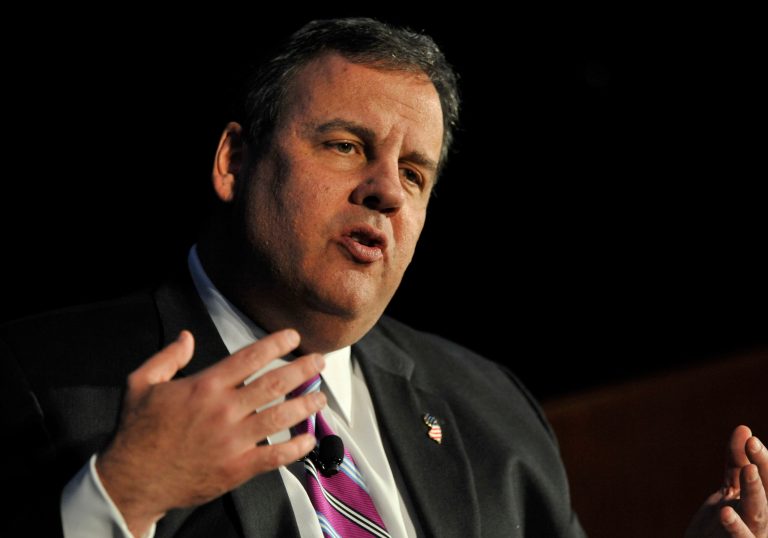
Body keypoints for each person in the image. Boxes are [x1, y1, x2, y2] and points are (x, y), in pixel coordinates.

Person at [0, 17, 764, 538]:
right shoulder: (43, 380)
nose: (387, 191)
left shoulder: (489, 409)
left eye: (415, 173)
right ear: (234, 161)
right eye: (344, 146)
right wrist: (123, 496)